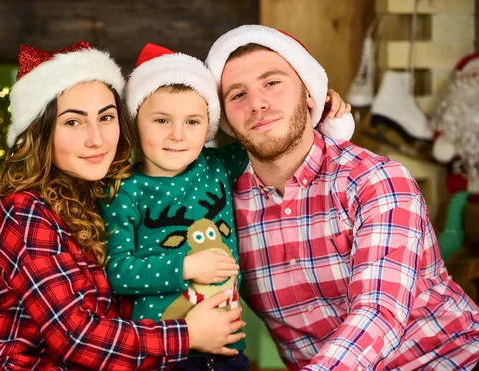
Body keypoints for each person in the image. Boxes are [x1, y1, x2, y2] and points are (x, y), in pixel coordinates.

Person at [0, 40, 246, 371]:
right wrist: (186, 334)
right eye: (73, 122)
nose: (96, 138)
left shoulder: (105, 196)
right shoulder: (26, 212)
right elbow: (76, 338)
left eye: (106, 117)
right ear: (41, 132)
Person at [205, 25, 479, 370]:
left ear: (309, 94)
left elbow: (378, 312)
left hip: (448, 359)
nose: (257, 103)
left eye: (272, 83)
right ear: (226, 118)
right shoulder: (223, 205)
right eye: (237, 95)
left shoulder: (375, 180)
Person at [100, 43, 354, 370]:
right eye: (162, 120)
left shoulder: (219, 165)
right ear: (135, 123)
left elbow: (272, 139)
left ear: (208, 126)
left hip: (229, 348)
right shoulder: (123, 190)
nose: (178, 135)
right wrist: (185, 268)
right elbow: (118, 272)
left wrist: (321, 107)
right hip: (165, 351)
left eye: (192, 122)